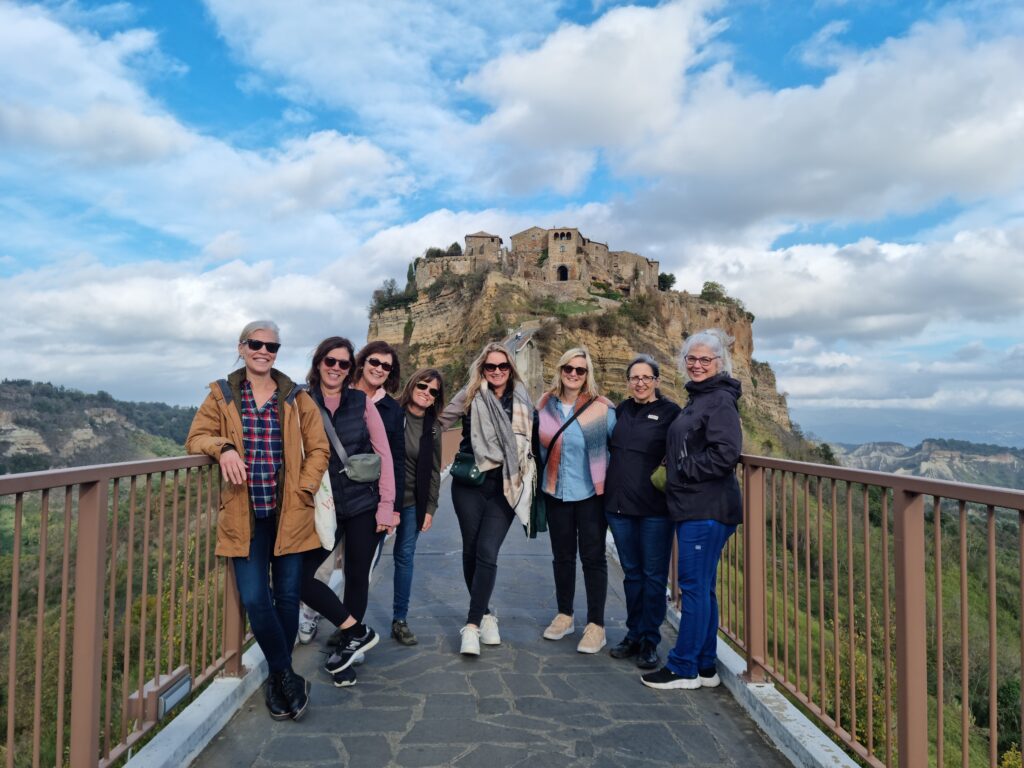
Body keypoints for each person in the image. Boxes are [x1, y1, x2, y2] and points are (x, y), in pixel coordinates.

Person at [186, 320, 329, 721]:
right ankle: (285, 674)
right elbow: (196, 437)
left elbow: (318, 449)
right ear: (242, 347)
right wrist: (224, 447)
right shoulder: (223, 394)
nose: (264, 351)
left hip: (288, 513)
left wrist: (304, 487)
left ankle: (277, 680)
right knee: (254, 597)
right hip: (244, 515)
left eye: (272, 346)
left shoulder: (296, 397)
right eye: (256, 344)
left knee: (285, 597)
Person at [641, 329, 743, 690]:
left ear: (719, 363)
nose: (697, 365)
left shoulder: (718, 400)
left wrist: (681, 470)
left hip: (706, 508)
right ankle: (704, 665)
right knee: (704, 588)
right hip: (698, 506)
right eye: (692, 359)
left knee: (692, 588)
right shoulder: (701, 397)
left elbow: (726, 453)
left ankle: (683, 667)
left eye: (705, 360)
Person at [298, 336, 397, 687]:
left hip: (362, 504)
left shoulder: (361, 402)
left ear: (349, 368)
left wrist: (387, 506)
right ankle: (356, 630)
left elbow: (383, 455)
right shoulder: (300, 402)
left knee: (357, 577)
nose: (336, 369)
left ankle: (345, 655)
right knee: (300, 577)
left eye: (343, 364)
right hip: (321, 507)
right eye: (330, 361)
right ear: (319, 362)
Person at [439, 341, 536, 656]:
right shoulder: (469, 394)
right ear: (482, 368)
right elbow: (438, 421)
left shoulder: (522, 399)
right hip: (470, 482)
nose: (496, 371)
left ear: (511, 369)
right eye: (490, 366)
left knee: (487, 551)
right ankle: (485, 615)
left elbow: (534, 437)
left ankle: (471, 626)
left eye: (502, 366)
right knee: (471, 550)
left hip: (506, 484)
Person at [535, 347, 615, 653]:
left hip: (591, 494)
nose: (573, 374)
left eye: (580, 370)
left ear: (587, 375)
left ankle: (596, 625)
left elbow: (621, 446)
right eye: (568, 368)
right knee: (563, 557)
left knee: (593, 558)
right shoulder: (544, 405)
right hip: (556, 490)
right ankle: (565, 615)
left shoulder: (602, 409)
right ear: (560, 370)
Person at [604, 354, 681, 671]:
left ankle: (650, 641)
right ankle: (633, 634)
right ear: (628, 381)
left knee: (653, 577)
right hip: (619, 508)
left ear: (657, 381)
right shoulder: (620, 410)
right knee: (632, 575)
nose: (640, 382)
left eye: (646, 377)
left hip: (655, 510)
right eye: (634, 377)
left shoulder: (670, 413)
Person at [390, 368, 445, 645]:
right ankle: (351, 621)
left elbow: (435, 471)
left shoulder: (433, 428)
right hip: (384, 501)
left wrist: (430, 508)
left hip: (414, 503)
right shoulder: (391, 414)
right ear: (412, 384)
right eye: (423, 386)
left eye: (433, 391)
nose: (426, 392)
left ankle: (400, 619)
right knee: (366, 561)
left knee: (405, 557)